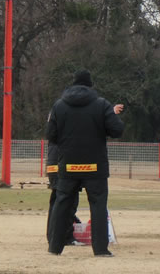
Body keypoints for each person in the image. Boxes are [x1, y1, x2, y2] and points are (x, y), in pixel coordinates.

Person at [47, 70, 124, 256]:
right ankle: (100, 249)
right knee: (97, 205)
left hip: (68, 165)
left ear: (73, 84)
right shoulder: (101, 104)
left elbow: (51, 135)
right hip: (95, 166)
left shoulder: (59, 105)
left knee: (62, 204)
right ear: (90, 85)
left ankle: (55, 247)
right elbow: (117, 130)